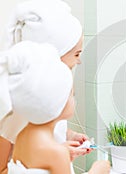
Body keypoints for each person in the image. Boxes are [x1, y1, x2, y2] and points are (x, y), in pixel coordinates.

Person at [0, 0, 89, 173]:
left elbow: (42, 136)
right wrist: (57, 156)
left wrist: (68, 138)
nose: (79, 61)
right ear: (55, 55)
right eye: (76, 54)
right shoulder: (19, 109)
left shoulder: (47, 99)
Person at [0, 41, 110, 174]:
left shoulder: (23, 136)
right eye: (72, 95)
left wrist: (65, 146)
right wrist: (96, 171)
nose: (74, 100)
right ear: (58, 102)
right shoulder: (58, 153)